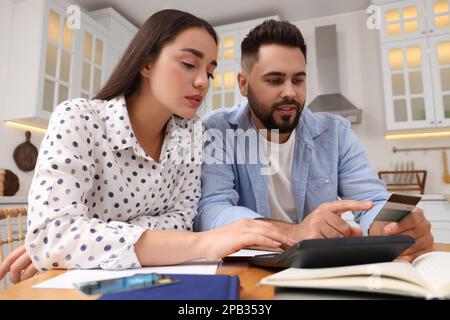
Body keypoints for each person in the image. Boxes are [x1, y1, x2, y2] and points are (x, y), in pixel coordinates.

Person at [0, 10, 292, 285]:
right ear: (146, 62)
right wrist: (203, 242)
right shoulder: (79, 118)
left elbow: (181, 220)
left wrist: (89, 235)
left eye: (210, 72)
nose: (203, 82)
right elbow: (53, 236)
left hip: (152, 282)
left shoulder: (191, 134)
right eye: (189, 64)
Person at [195, 19, 433, 261]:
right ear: (243, 84)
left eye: (298, 80)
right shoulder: (219, 129)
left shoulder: (336, 132)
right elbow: (211, 210)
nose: (290, 92)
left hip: (319, 266)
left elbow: (372, 199)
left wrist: (390, 227)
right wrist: (294, 233)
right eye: (274, 80)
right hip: (249, 267)